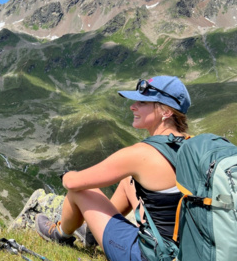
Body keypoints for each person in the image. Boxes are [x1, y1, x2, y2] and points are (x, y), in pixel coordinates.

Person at [35, 76, 191, 261]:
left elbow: (72, 183)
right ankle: (92, 234)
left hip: (150, 255)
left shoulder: (141, 153)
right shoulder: (193, 145)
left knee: (81, 190)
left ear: (166, 112)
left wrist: (69, 175)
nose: (133, 106)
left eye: (142, 102)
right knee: (129, 179)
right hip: (188, 251)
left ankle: (60, 234)